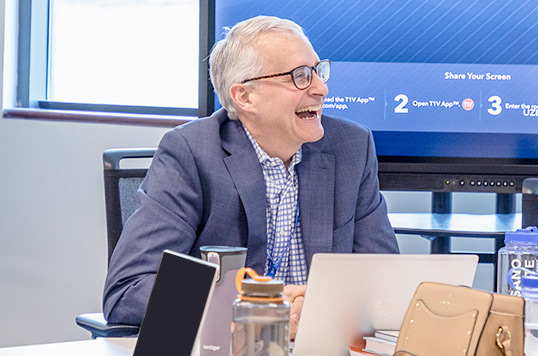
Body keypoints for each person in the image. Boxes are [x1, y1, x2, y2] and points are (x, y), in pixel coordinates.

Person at [102, 16, 399, 338]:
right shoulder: (192, 152)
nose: (321, 88)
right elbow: (129, 289)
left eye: (318, 71)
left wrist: (324, 307)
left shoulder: (350, 147)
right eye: (299, 76)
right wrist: (257, 306)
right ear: (245, 97)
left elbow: (384, 280)